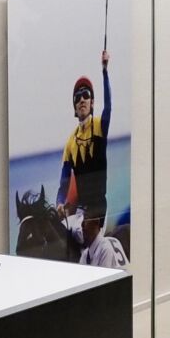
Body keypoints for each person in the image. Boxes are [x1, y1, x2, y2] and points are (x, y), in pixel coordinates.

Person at [56, 50, 111, 253]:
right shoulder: (70, 142)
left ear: (92, 102)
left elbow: (109, 107)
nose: (81, 99)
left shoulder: (100, 127)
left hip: (98, 210)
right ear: (74, 106)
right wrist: (59, 203)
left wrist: (104, 71)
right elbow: (64, 182)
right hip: (80, 211)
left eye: (86, 95)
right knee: (60, 232)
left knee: (81, 234)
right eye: (77, 97)